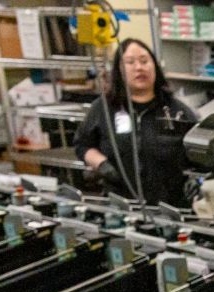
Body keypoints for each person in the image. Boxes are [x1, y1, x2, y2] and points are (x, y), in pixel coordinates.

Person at [74, 39, 197, 208]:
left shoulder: (177, 111)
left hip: (171, 206)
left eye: (145, 61)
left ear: (155, 66)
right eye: (130, 62)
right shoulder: (103, 108)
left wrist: (197, 180)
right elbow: (82, 145)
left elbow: (200, 156)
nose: (139, 67)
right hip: (121, 205)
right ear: (119, 70)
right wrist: (101, 163)